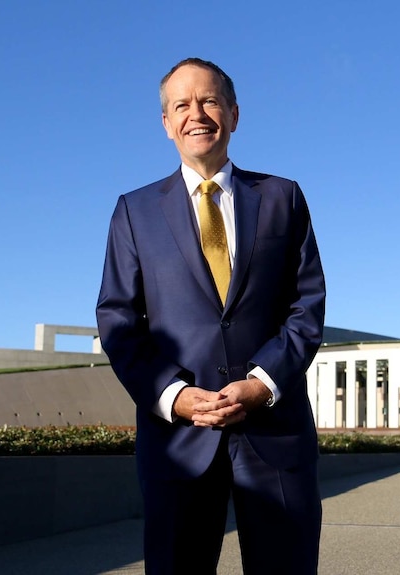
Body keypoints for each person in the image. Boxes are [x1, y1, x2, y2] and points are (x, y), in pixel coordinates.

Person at [96, 57, 326, 575]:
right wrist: (174, 397)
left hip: (275, 437)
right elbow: (118, 320)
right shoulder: (133, 212)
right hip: (177, 444)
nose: (196, 113)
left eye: (209, 100)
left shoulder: (282, 197)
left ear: (234, 114)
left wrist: (262, 383)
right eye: (181, 104)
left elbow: (306, 307)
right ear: (165, 123)